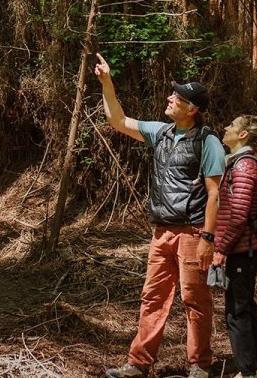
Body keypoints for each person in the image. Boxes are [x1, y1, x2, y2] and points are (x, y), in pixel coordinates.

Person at [95, 53, 225, 378]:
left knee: (195, 300)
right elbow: (119, 121)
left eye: (177, 97)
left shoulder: (208, 142)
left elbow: (215, 194)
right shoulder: (161, 133)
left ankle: (199, 366)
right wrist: (107, 81)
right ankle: (138, 365)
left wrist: (209, 238)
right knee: (152, 297)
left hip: (194, 234)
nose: (170, 98)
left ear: (191, 109)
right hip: (161, 233)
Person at [213, 115, 257, 378]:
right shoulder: (241, 164)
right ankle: (254, 368)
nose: (225, 127)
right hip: (245, 248)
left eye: (231, 125)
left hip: (243, 249)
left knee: (237, 312)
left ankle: (247, 372)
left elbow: (239, 214)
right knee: (245, 307)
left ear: (241, 136)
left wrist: (221, 248)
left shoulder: (243, 166)